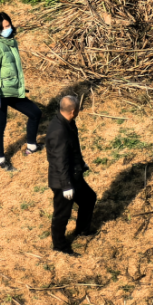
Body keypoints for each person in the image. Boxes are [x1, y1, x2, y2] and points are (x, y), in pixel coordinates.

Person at [0, 12, 40, 172]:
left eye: (8, 25)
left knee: (35, 113)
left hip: (12, 90)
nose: (8, 29)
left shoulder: (9, 42)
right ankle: (0, 160)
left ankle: (31, 146)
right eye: (4, 27)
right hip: (0, 94)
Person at [46, 95, 96, 256]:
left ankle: (82, 230)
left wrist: (81, 164)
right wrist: (66, 185)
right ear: (73, 111)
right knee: (62, 214)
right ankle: (59, 245)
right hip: (63, 181)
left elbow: (72, 149)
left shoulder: (68, 123)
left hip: (74, 174)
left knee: (88, 198)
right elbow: (59, 162)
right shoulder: (59, 131)